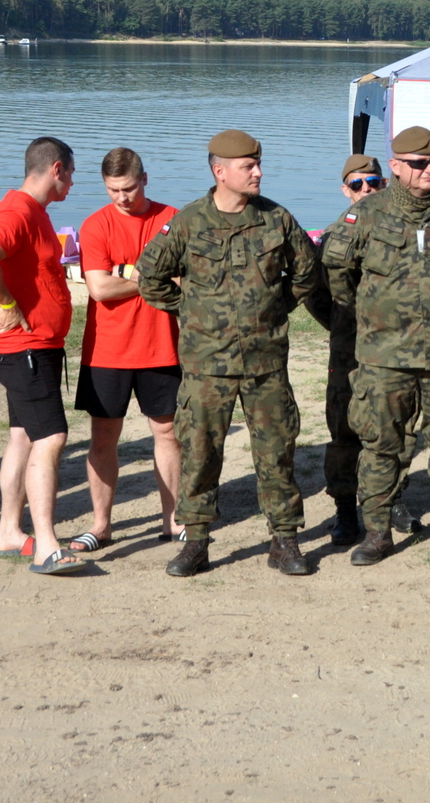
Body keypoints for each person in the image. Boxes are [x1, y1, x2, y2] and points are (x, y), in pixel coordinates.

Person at [136, 129, 320, 577]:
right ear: (220, 172)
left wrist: (274, 308)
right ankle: (195, 542)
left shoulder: (277, 219)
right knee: (200, 453)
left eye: (258, 165)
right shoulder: (188, 222)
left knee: (277, 453)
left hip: (265, 363)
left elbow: (307, 273)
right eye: (247, 167)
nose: (258, 172)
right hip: (206, 366)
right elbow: (150, 277)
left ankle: (285, 540)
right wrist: (193, 311)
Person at [321, 127, 430, 565]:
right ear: (396, 166)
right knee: (382, 444)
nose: (429, 170)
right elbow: (340, 278)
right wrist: (375, 316)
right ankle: (378, 532)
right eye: (418, 163)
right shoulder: (367, 216)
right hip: (384, 356)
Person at [0, 137, 82, 574]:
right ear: (56, 169)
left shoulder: (34, 212)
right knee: (51, 438)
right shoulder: (17, 211)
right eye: (70, 173)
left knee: (23, 436)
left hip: (33, 347)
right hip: (23, 347)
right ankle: (48, 544)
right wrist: (10, 307)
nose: (72, 182)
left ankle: (10, 533)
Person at [68, 149, 183, 550]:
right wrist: (154, 275)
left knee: (167, 433)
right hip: (107, 351)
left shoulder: (172, 219)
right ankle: (101, 525)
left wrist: (126, 273)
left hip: (162, 347)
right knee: (103, 438)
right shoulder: (95, 225)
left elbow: (187, 280)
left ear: (145, 179)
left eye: (129, 188)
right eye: (114, 190)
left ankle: (173, 520)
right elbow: (99, 288)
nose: (122, 197)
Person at [310, 153, 414, 546]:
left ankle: (394, 500)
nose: (366, 190)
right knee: (344, 428)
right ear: (345, 190)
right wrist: (345, 326)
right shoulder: (334, 236)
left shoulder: (402, 230)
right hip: (349, 348)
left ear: (385, 184)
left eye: (373, 183)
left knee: (396, 426)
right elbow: (317, 294)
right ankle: (344, 510)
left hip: (394, 347)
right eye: (357, 185)